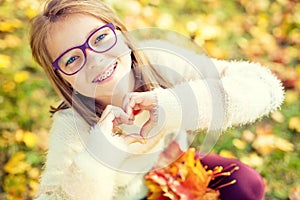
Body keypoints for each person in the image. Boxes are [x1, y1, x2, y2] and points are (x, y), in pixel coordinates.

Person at [29, 0, 284, 199]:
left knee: (244, 184)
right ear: (61, 77)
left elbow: (265, 87)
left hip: (177, 172)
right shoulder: (70, 125)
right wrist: (98, 154)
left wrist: (176, 105)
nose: (95, 59)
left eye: (100, 37)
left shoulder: (160, 62)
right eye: (72, 59)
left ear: (120, 32)